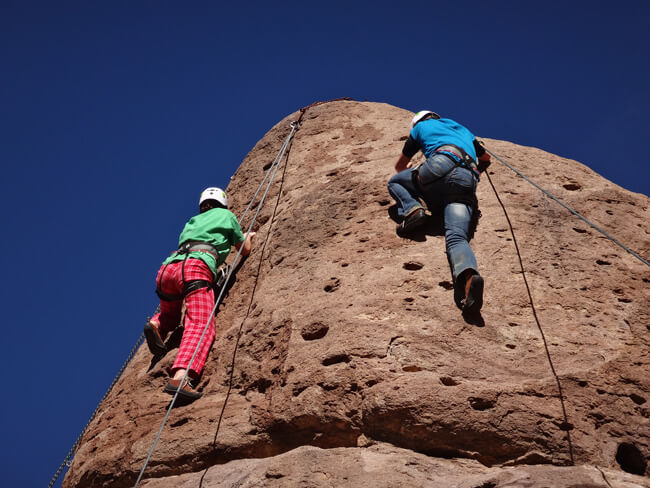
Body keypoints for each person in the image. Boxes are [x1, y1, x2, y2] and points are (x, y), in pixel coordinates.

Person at [144, 187, 255, 401]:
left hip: (168, 269)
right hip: (196, 266)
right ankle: (181, 376)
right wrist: (248, 236)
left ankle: (158, 325)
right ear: (223, 203)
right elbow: (244, 249)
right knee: (200, 323)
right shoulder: (227, 215)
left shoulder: (192, 221)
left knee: (171, 310)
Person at [387, 111, 491, 315]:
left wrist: (409, 169)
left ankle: (412, 210)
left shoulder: (420, 128)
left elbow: (399, 167)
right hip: (467, 178)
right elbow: (485, 157)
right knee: (457, 237)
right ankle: (469, 279)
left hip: (440, 165)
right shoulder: (462, 128)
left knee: (396, 181)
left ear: (416, 122)